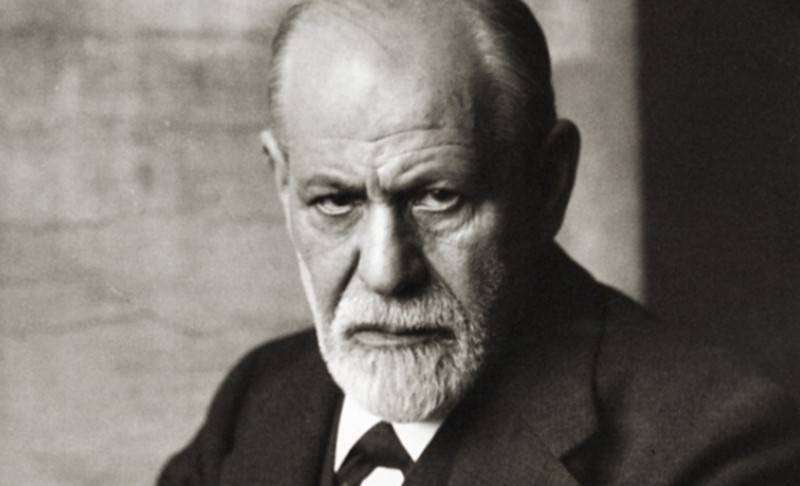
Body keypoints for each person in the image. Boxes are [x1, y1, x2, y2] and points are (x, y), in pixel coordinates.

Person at [158, 0, 800, 484]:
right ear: (282, 181)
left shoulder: (713, 449)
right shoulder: (256, 403)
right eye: (335, 201)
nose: (385, 270)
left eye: (439, 197)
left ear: (549, 184)